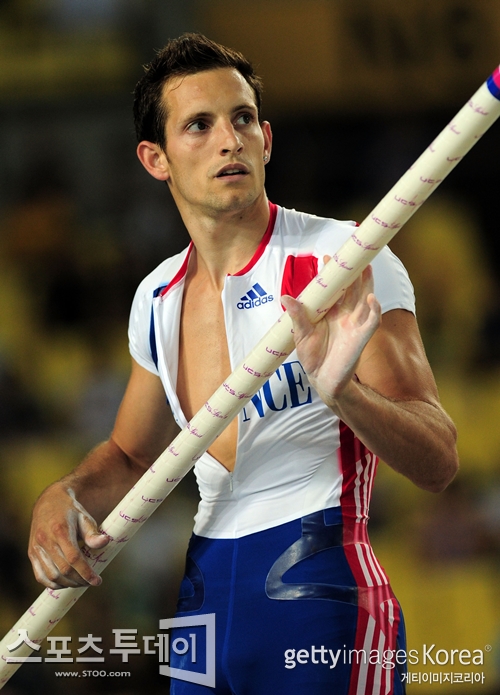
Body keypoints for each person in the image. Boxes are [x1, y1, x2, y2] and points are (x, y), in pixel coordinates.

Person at [28, 33, 458, 694]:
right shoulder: (156, 297)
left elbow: (438, 461)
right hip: (202, 605)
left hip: (320, 592)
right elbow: (133, 456)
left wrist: (344, 394)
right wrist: (65, 494)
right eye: (199, 125)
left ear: (267, 139)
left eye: (243, 119)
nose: (229, 140)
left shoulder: (342, 259)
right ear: (155, 158)